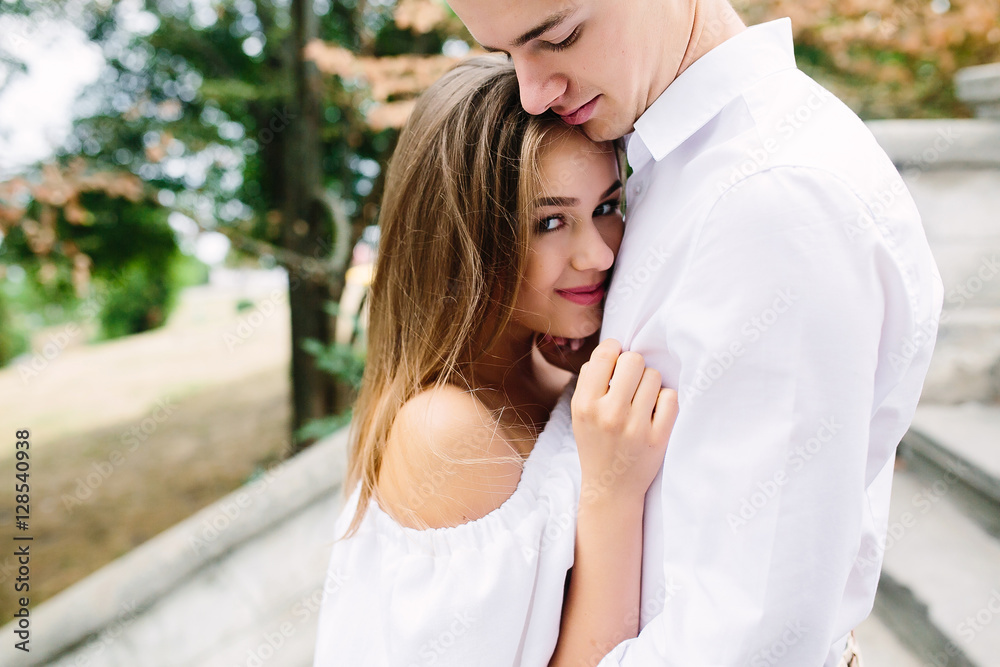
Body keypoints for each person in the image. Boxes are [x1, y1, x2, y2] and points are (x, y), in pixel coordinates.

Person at [445, 1, 943, 665]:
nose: (532, 92)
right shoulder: (668, 161)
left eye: (558, 37)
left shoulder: (774, 199)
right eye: (507, 56)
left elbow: (748, 637)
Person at [313, 56, 679, 666]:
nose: (597, 254)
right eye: (551, 221)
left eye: (607, 207)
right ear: (466, 241)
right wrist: (612, 496)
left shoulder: (541, 369)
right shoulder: (444, 434)